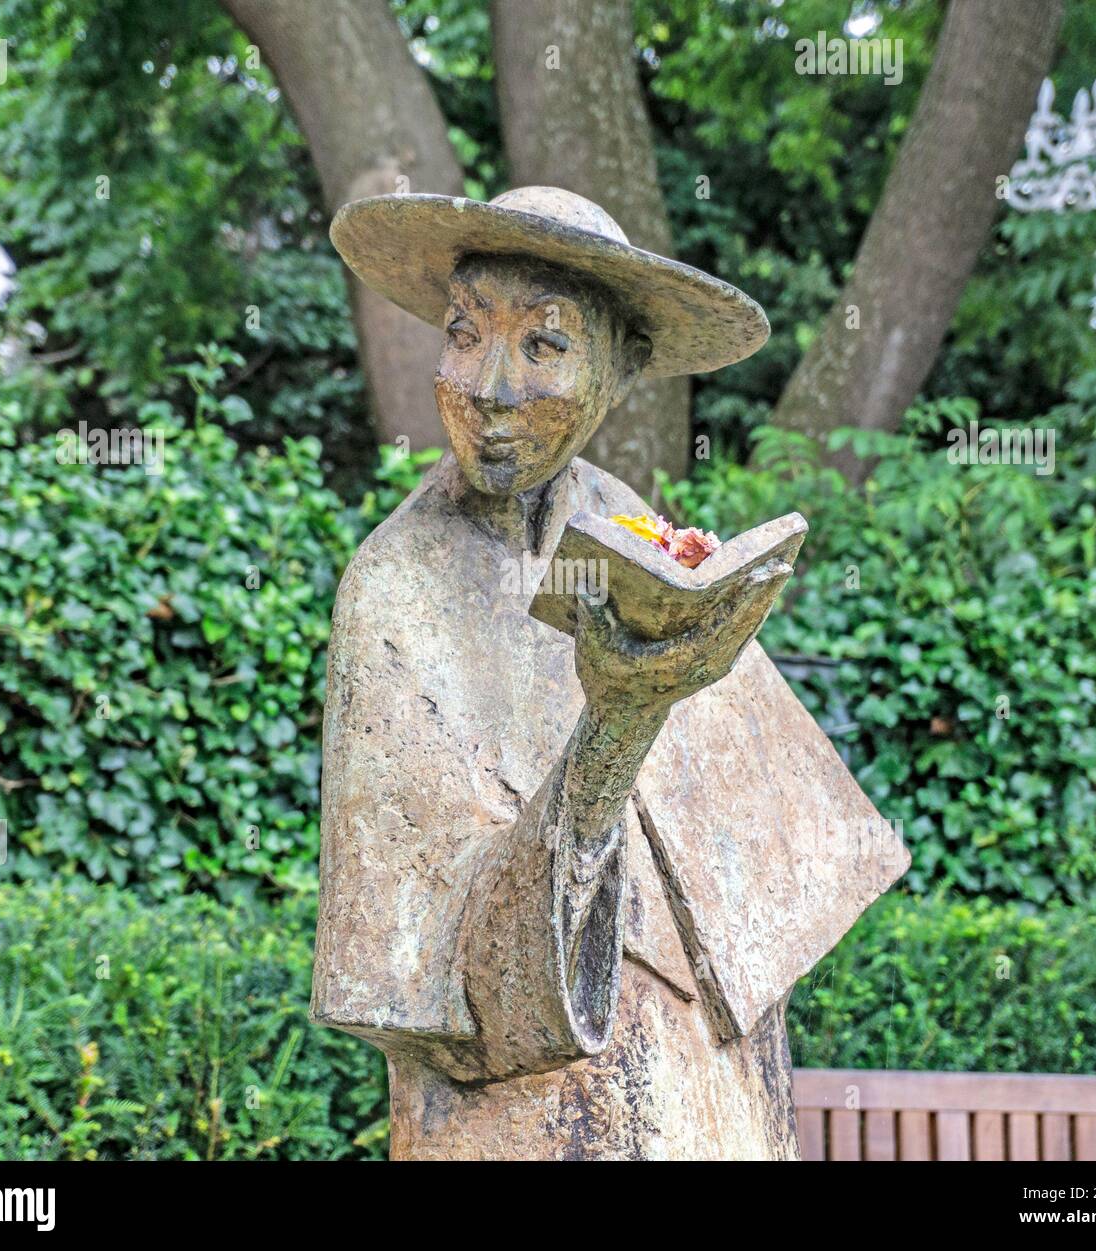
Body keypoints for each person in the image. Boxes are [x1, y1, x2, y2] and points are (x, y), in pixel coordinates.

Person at [312, 186, 908, 1159]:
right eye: (466, 336)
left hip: (709, 1095)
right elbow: (448, 987)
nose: (492, 388)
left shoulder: (626, 525)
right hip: (534, 1124)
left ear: (618, 372)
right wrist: (619, 720)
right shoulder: (396, 590)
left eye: (543, 347)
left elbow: (771, 881)